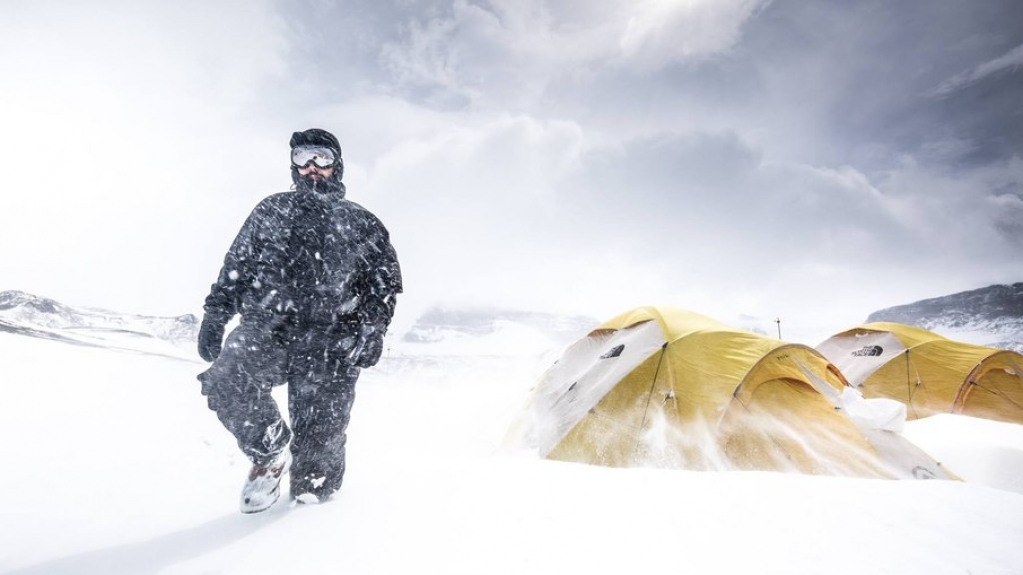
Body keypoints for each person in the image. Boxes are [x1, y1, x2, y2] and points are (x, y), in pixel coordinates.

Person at [196, 128, 402, 513]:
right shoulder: (270, 210)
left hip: (331, 342)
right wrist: (215, 314)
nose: (311, 167)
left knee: (316, 461)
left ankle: (309, 531)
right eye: (303, 158)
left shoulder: (363, 223)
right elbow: (235, 267)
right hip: (267, 329)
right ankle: (270, 451)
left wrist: (373, 328)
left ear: (336, 166)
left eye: (321, 159)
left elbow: (383, 285)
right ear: (292, 165)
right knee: (226, 379)